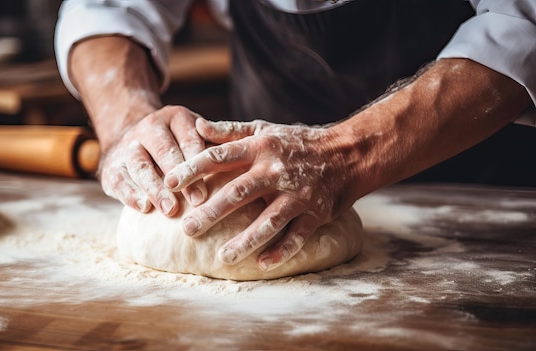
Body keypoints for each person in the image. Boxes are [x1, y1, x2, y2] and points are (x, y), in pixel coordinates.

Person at [55, 1, 535, 272]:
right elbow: (107, 10)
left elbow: (522, 26)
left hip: (482, 194)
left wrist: (343, 155)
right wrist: (124, 119)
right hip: (267, 180)